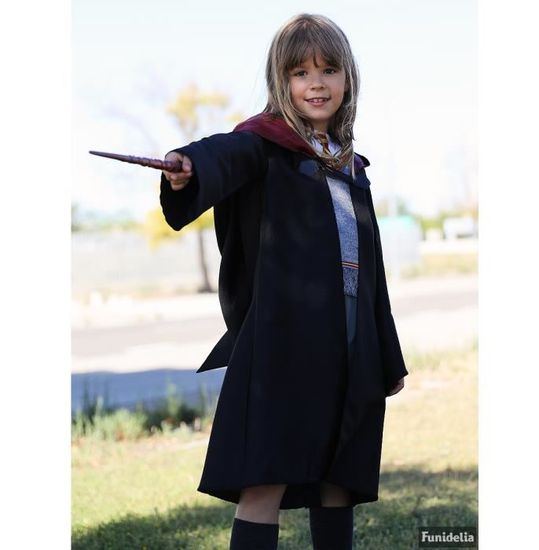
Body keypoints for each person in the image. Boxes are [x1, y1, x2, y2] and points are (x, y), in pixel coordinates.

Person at [160, 13, 408, 550]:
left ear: (348, 79)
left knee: (339, 478)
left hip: (351, 345)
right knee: (265, 475)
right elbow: (223, 154)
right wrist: (187, 166)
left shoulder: (351, 167)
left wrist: (386, 357)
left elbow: (374, 277)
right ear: (282, 81)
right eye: (300, 73)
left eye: (328, 70)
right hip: (285, 343)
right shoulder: (266, 146)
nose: (316, 83)